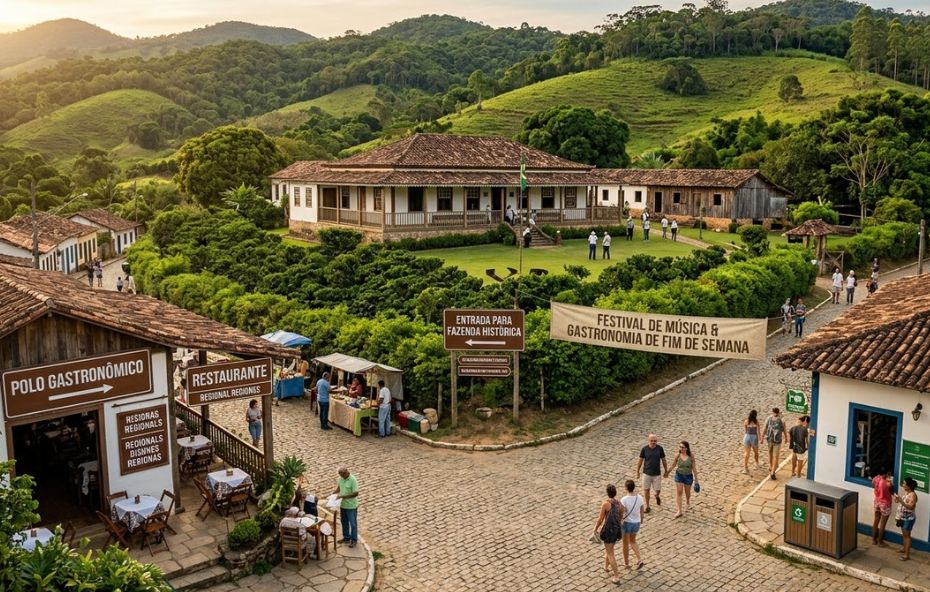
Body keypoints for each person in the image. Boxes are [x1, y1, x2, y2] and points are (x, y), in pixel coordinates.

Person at [593, 483, 623, 585]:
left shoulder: (605, 504)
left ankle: (616, 576)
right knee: (609, 549)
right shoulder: (620, 504)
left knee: (610, 553)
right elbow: (621, 517)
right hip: (616, 531)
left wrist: (595, 529)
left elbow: (600, 519)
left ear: (607, 493)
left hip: (608, 531)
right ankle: (606, 567)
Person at [665, 441, 698, 518]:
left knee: (687, 493)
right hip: (679, 475)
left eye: (682, 447)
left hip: (688, 476)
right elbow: (673, 465)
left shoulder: (691, 456)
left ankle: (687, 501)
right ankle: (679, 510)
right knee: (679, 492)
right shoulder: (677, 455)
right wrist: (667, 472)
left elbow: (694, 468)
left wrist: (696, 480)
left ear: (686, 448)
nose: (681, 448)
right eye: (680, 447)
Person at [636, 434, 667, 513]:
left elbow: (663, 460)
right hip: (646, 473)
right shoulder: (644, 449)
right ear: (648, 440)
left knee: (658, 489)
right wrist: (637, 471)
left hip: (657, 474)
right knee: (646, 490)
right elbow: (640, 460)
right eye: (652, 441)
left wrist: (666, 470)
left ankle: (657, 495)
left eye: (655, 441)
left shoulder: (660, 449)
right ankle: (648, 506)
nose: (653, 442)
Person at [620, 479, 645, 571]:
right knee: (633, 541)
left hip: (627, 523)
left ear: (626, 488)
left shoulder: (624, 500)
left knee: (625, 544)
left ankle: (626, 563)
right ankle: (639, 559)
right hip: (636, 523)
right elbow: (642, 511)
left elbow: (621, 513)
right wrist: (641, 520)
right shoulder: (640, 497)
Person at [333, 467, 359, 548]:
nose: (341, 477)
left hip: (351, 506)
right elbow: (339, 488)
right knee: (344, 522)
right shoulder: (340, 479)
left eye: (342, 475)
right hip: (343, 505)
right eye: (340, 476)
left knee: (353, 524)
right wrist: (333, 493)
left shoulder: (353, 480)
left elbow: (355, 493)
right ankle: (346, 537)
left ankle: (354, 540)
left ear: (346, 473)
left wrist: (343, 496)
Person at [895, 477, 918, 561]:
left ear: (908, 486)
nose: (903, 485)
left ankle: (906, 555)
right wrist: (898, 500)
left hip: (908, 519)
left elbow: (911, 507)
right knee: (904, 535)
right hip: (903, 518)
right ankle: (904, 549)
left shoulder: (913, 495)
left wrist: (901, 502)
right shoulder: (907, 493)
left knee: (907, 536)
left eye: (904, 483)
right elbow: (904, 503)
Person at [871, 468, 893, 547]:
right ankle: (880, 541)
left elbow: (873, 484)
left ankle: (874, 540)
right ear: (885, 474)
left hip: (877, 502)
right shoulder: (887, 483)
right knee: (883, 524)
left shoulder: (876, 478)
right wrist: (889, 480)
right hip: (885, 504)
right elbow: (891, 491)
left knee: (876, 521)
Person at [763, 408, 786, 480]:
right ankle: (772, 471)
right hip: (777, 440)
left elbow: (765, 428)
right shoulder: (782, 420)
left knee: (771, 453)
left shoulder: (769, 418)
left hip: (770, 439)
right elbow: (784, 429)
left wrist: (762, 437)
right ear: (779, 412)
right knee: (775, 456)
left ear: (773, 412)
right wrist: (786, 438)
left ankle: (771, 468)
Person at [742, 409, 760, 474]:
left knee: (746, 453)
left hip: (747, 437)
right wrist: (760, 438)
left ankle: (745, 467)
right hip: (754, 437)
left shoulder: (746, 421)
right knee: (756, 452)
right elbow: (758, 431)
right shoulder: (756, 422)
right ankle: (757, 463)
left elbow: (746, 430)